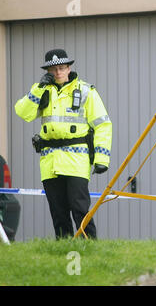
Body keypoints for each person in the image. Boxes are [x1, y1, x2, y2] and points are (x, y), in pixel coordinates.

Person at [15, 49, 112, 239]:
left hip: (77, 161)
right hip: (50, 162)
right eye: (53, 70)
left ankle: (90, 247)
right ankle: (63, 249)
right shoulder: (42, 90)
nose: (58, 73)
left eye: (61, 68)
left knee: (79, 208)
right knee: (58, 212)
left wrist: (102, 158)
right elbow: (23, 112)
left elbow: (103, 125)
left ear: (69, 68)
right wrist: (38, 89)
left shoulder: (85, 91)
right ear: (47, 71)